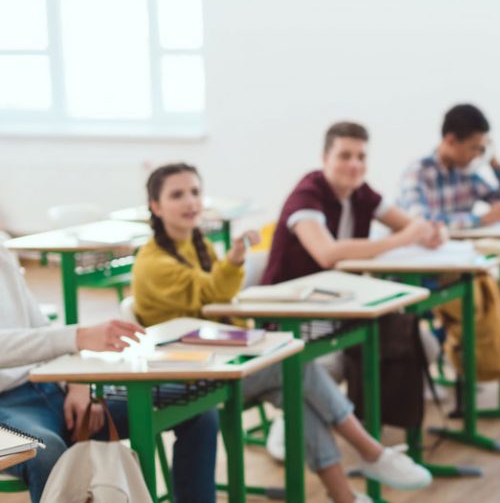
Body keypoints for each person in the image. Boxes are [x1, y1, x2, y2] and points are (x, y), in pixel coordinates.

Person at [131, 163, 432, 503]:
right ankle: (370, 452)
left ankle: (346, 494)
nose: (190, 201)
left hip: (218, 361)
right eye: (177, 195)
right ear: (155, 207)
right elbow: (212, 292)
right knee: (294, 366)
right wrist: (235, 258)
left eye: (195, 192)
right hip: (189, 376)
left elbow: (219, 299)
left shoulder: (199, 246)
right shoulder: (153, 262)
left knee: (296, 385)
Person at [0, 244, 219, 503]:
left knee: (198, 407)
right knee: (48, 453)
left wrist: (77, 384)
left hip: (49, 384)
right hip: (8, 406)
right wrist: (78, 337)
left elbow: (42, 330)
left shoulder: (3, 253)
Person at [397, 105, 500, 335]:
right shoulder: (418, 172)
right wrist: (479, 220)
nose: (477, 155)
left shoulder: (465, 174)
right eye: (474, 148)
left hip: (461, 269)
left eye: (482, 149)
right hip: (423, 274)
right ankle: (447, 348)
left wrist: (494, 163)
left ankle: (457, 354)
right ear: (450, 140)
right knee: (479, 320)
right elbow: (423, 222)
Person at [262, 121, 444, 286]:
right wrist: (403, 238)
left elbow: (413, 225)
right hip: (290, 308)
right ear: (325, 158)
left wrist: (434, 232)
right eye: (345, 156)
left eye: (361, 157)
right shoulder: (306, 195)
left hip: (339, 299)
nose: (354, 165)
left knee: (401, 307)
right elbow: (327, 254)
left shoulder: (361, 192)